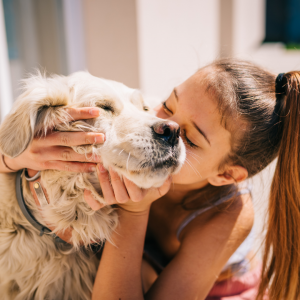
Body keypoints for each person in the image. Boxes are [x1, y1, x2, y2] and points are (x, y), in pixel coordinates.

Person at [1, 58, 299, 300]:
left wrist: (135, 211)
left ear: (225, 175)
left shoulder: (229, 213)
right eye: (168, 105)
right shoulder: (146, 122)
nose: (163, 126)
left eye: (191, 140)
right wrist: (13, 157)